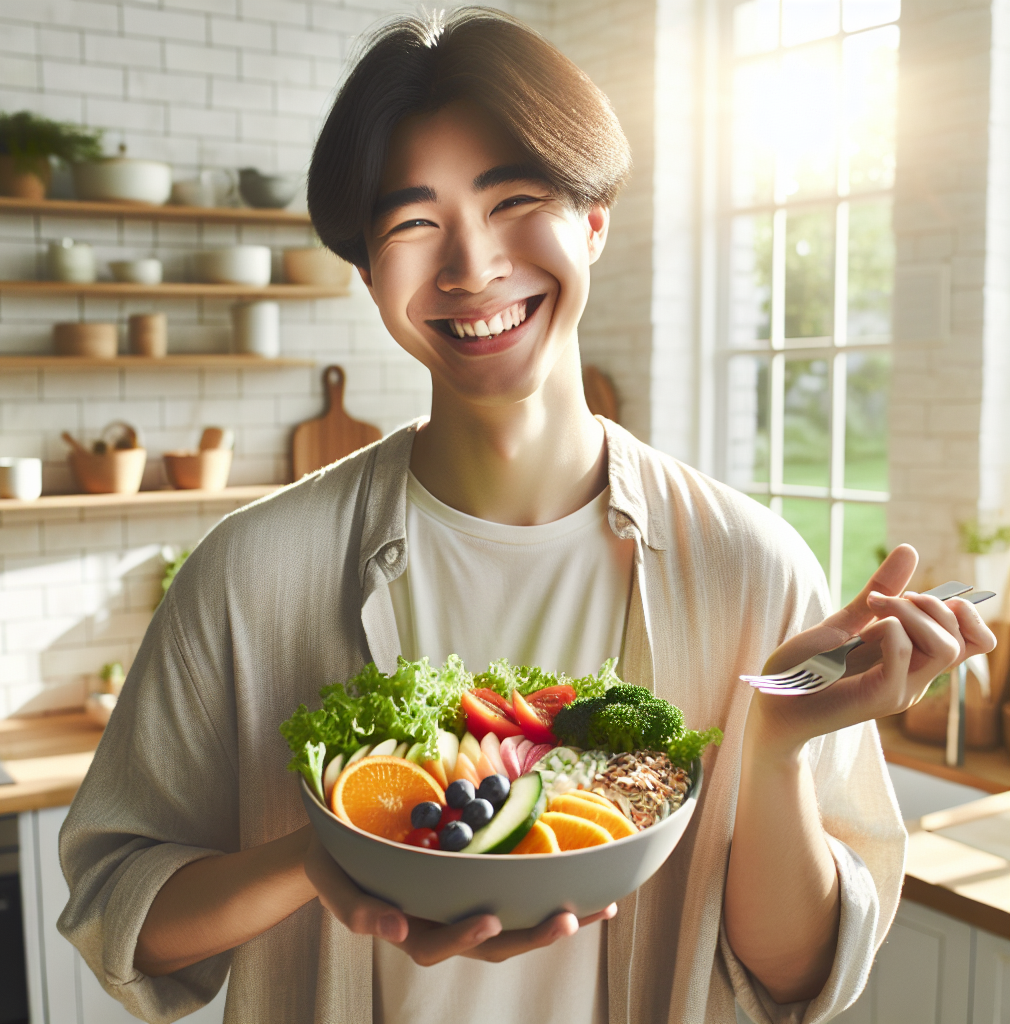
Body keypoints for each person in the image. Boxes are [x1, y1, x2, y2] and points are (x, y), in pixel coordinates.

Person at [58, 9, 995, 1024]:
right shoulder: (251, 574)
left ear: (593, 222)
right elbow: (118, 906)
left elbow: (795, 973)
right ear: (370, 271)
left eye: (514, 201)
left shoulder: (750, 567)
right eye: (413, 224)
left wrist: (767, 746)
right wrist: (316, 855)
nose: (470, 265)